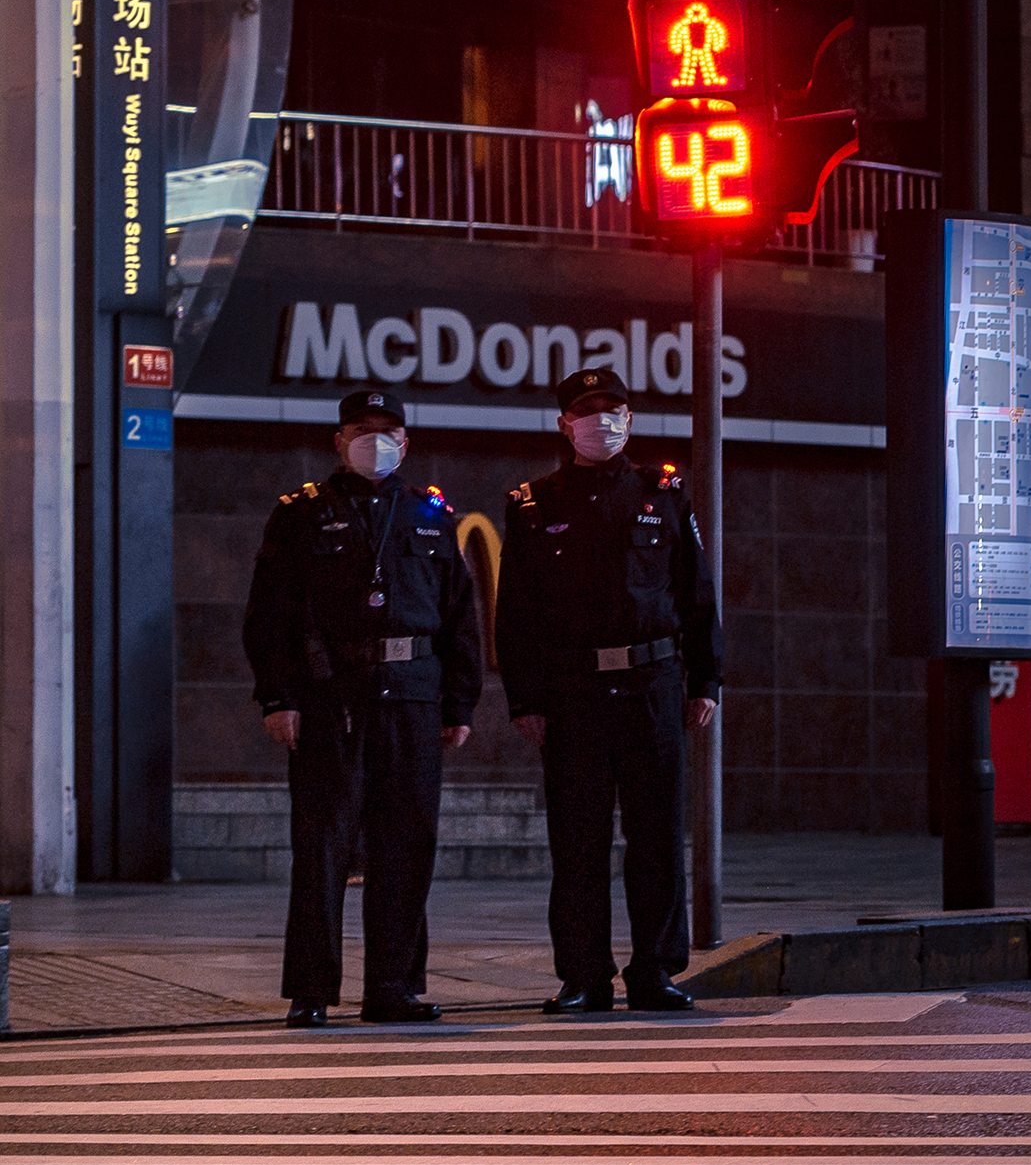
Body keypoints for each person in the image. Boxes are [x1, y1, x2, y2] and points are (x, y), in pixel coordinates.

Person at [242, 388, 482, 1028]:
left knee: (406, 847)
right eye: (360, 429)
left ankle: (394, 988)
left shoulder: (432, 517)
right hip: (330, 699)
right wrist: (279, 697)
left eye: (387, 430)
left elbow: (461, 618)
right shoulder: (301, 514)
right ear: (338, 440)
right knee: (321, 847)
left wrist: (459, 702)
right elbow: (269, 617)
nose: (373, 440)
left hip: (412, 698)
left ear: (406, 442)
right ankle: (311, 991)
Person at [498, 367, 721, 1014]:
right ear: (565, 424)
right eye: (588, 411)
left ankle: (654, 972)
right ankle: (584, 976)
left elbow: (697, 596)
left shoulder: (664, 495)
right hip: (573, 692)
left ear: (631, 418)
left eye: (614, 409)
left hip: (653, 684)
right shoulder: (534, 505)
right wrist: (526, 699)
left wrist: (704, 679)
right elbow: (517, 614)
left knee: (656, 837)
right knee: (578, 840)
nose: (603, 421)